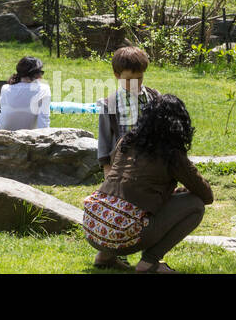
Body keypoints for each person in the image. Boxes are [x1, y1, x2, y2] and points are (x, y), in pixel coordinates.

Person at [84, 94, 213, 273]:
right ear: (179, 124)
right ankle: (149, 262)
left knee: (123, 202)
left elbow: (127, 180)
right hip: (124, 234)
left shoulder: (125, 141)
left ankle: (105, 256)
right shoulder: (171, 154)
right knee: (196, 205)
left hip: (93, 227)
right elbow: (207, 196)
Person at [97, 46, 162, 176]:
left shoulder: (154, 96)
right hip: (123, 163)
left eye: (139, 78)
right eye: (129, 80)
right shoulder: (109, 104)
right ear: (117, 75)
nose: (134, 84)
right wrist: (107, 168)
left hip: (151, 160)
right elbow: (104, 138)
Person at [0, 56, 51, 130]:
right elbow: (44, 120)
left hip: (2, 129)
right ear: (36, 74)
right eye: (41, 72)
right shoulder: (44, 89)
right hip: (29, 133)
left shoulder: (5, 88)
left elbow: (5, 114)